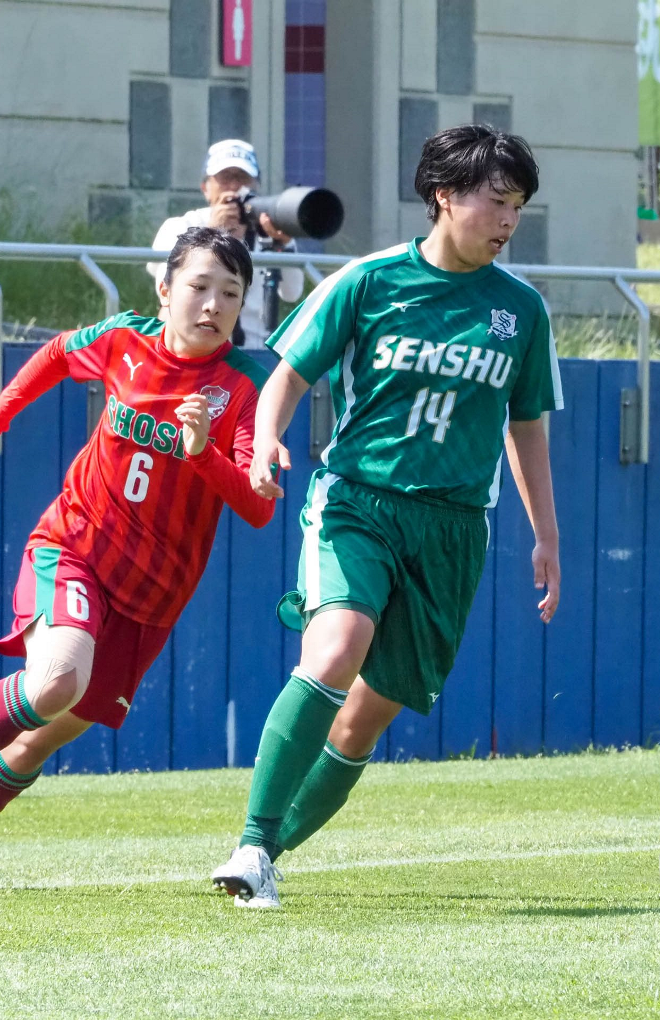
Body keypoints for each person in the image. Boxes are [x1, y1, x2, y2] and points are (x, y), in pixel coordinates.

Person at [209, 125, 563, 908]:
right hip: (357, 501)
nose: (508, 221)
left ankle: (267, 856)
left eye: (518, 208)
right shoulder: (369, 281)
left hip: (453, 530)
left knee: (361, 724)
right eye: (497, 202)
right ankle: (251, 842)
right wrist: (264, 440)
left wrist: (546, 535)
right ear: (445, 196)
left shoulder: (520, 312)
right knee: (337, 648)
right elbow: (288, 375)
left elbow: (527, 424)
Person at [0, 227, 274, 892]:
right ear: (166, 287)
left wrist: (203, 449)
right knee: (56, 678)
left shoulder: (246, 384)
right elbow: (58, 355)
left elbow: (258, 509)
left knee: (38, 740)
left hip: (153, 599)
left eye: (230, 293)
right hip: (77, 546)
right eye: (200, 286)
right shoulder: (125, 339)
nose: (213, 304)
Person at [147, 139, 304, 348]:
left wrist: (284, 243)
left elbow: (292, 293)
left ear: (256, 185)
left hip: (254, 351)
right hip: (197, 351)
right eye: (225, 177)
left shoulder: (267, 230)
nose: (234, 186)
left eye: (242, 177)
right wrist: (212, 231)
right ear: (205, 188)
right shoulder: (181, 226)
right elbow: (167, 291)